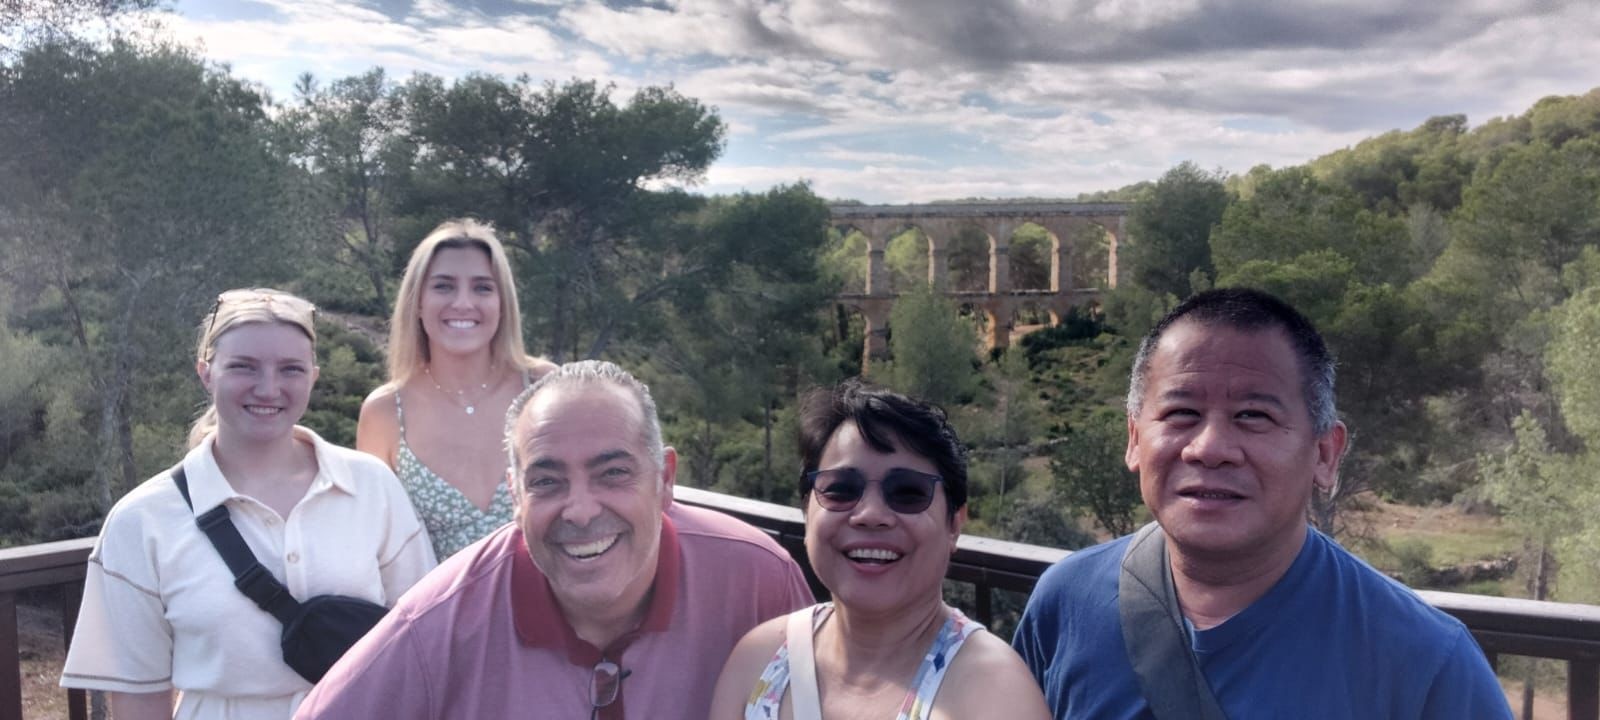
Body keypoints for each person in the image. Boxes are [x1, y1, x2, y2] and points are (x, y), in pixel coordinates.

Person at [1012, 287, 1512, 719]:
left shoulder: (1426, 663)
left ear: (1324, 454)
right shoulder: (1065, 603)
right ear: (1134, 439)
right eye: (1182, 412)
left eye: (1253, 415)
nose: (1209, 448)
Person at [296, 360, 814, 720]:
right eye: (546, 481)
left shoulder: (758, 579)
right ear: (515, 496)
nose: (581, 510)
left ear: (664, 479)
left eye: (613, 473)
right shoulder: (439, 623)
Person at [61, 288, 436, 720]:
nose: (268, 388)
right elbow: (138, 695)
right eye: (243, 366)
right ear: (206, 373)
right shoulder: (142, 520)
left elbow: (424, 639)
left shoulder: (371, 486)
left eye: (291, 369)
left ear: (313, 377)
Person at [709, 380, 1050, 720]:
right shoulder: (759, 660)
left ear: (954, 525)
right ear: (806, 512)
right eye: (840, 489)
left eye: (908, 492)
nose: (870, 514)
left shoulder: (996, 696)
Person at [358, 218, 556, 560]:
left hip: (551, 593)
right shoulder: (384, 412)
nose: (463, 303)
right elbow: (375, 542)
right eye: (443, 286)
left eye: (482, 288)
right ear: (418, 302)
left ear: (503, 302)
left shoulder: (546, 388)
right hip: (439, 596)